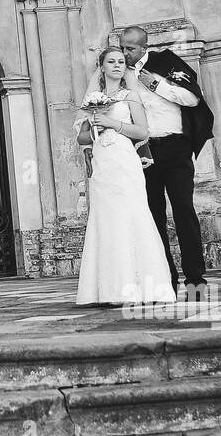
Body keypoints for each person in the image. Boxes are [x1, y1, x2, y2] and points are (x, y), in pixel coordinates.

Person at [113, 26, 215, 299]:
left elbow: (192, 99)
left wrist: (156, 84)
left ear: (144, 47)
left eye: (130, 49)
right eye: (122, 47)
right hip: (143, 151)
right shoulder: (119, 74)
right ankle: (165, 282)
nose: (124, 53)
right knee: (152, 217)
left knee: (184, 211)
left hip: (174, 146)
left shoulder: (166, 62)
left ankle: (195, 281)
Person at [74, 47, 177, 307]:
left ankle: (146, 287)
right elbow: (81, 137)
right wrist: (95, 124)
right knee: (106, 219)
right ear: (102, 66)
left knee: (132, 214)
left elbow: (142, 130)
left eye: (121, 61)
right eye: (112, 62)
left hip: (124, 161)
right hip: (102, 164)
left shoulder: (130, 95)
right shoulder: (93, 99)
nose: (118, 65)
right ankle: (110, 290)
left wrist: (112, 124)